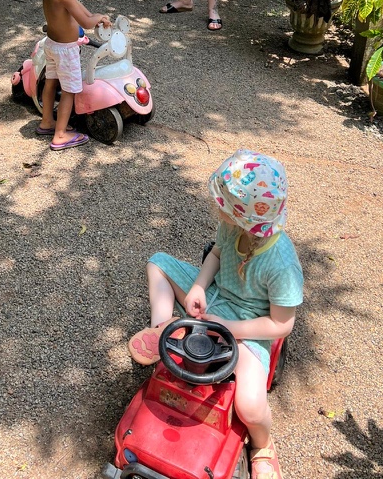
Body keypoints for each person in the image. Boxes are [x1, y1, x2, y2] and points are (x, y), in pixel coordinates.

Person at [128, 149, 303, 479]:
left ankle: (262, 446)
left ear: (245, 216)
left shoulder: (281, 264)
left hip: (249, 324)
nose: (217, 209)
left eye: (224, 205)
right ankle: (164, 327)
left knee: (250, 405)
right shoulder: (233, 227)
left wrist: (231, 327)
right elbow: (218, 254)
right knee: (158, 263)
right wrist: (198, 286)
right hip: (214, 297)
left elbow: (282, 324)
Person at [39, 0, 111, 151]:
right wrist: (99, 18)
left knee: (50, 83)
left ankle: (47, 122)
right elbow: (86, 23)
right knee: (69, 91)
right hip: (66, 52)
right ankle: (60, 135)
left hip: (51, 45)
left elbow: (79, 8)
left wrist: (94, 14)